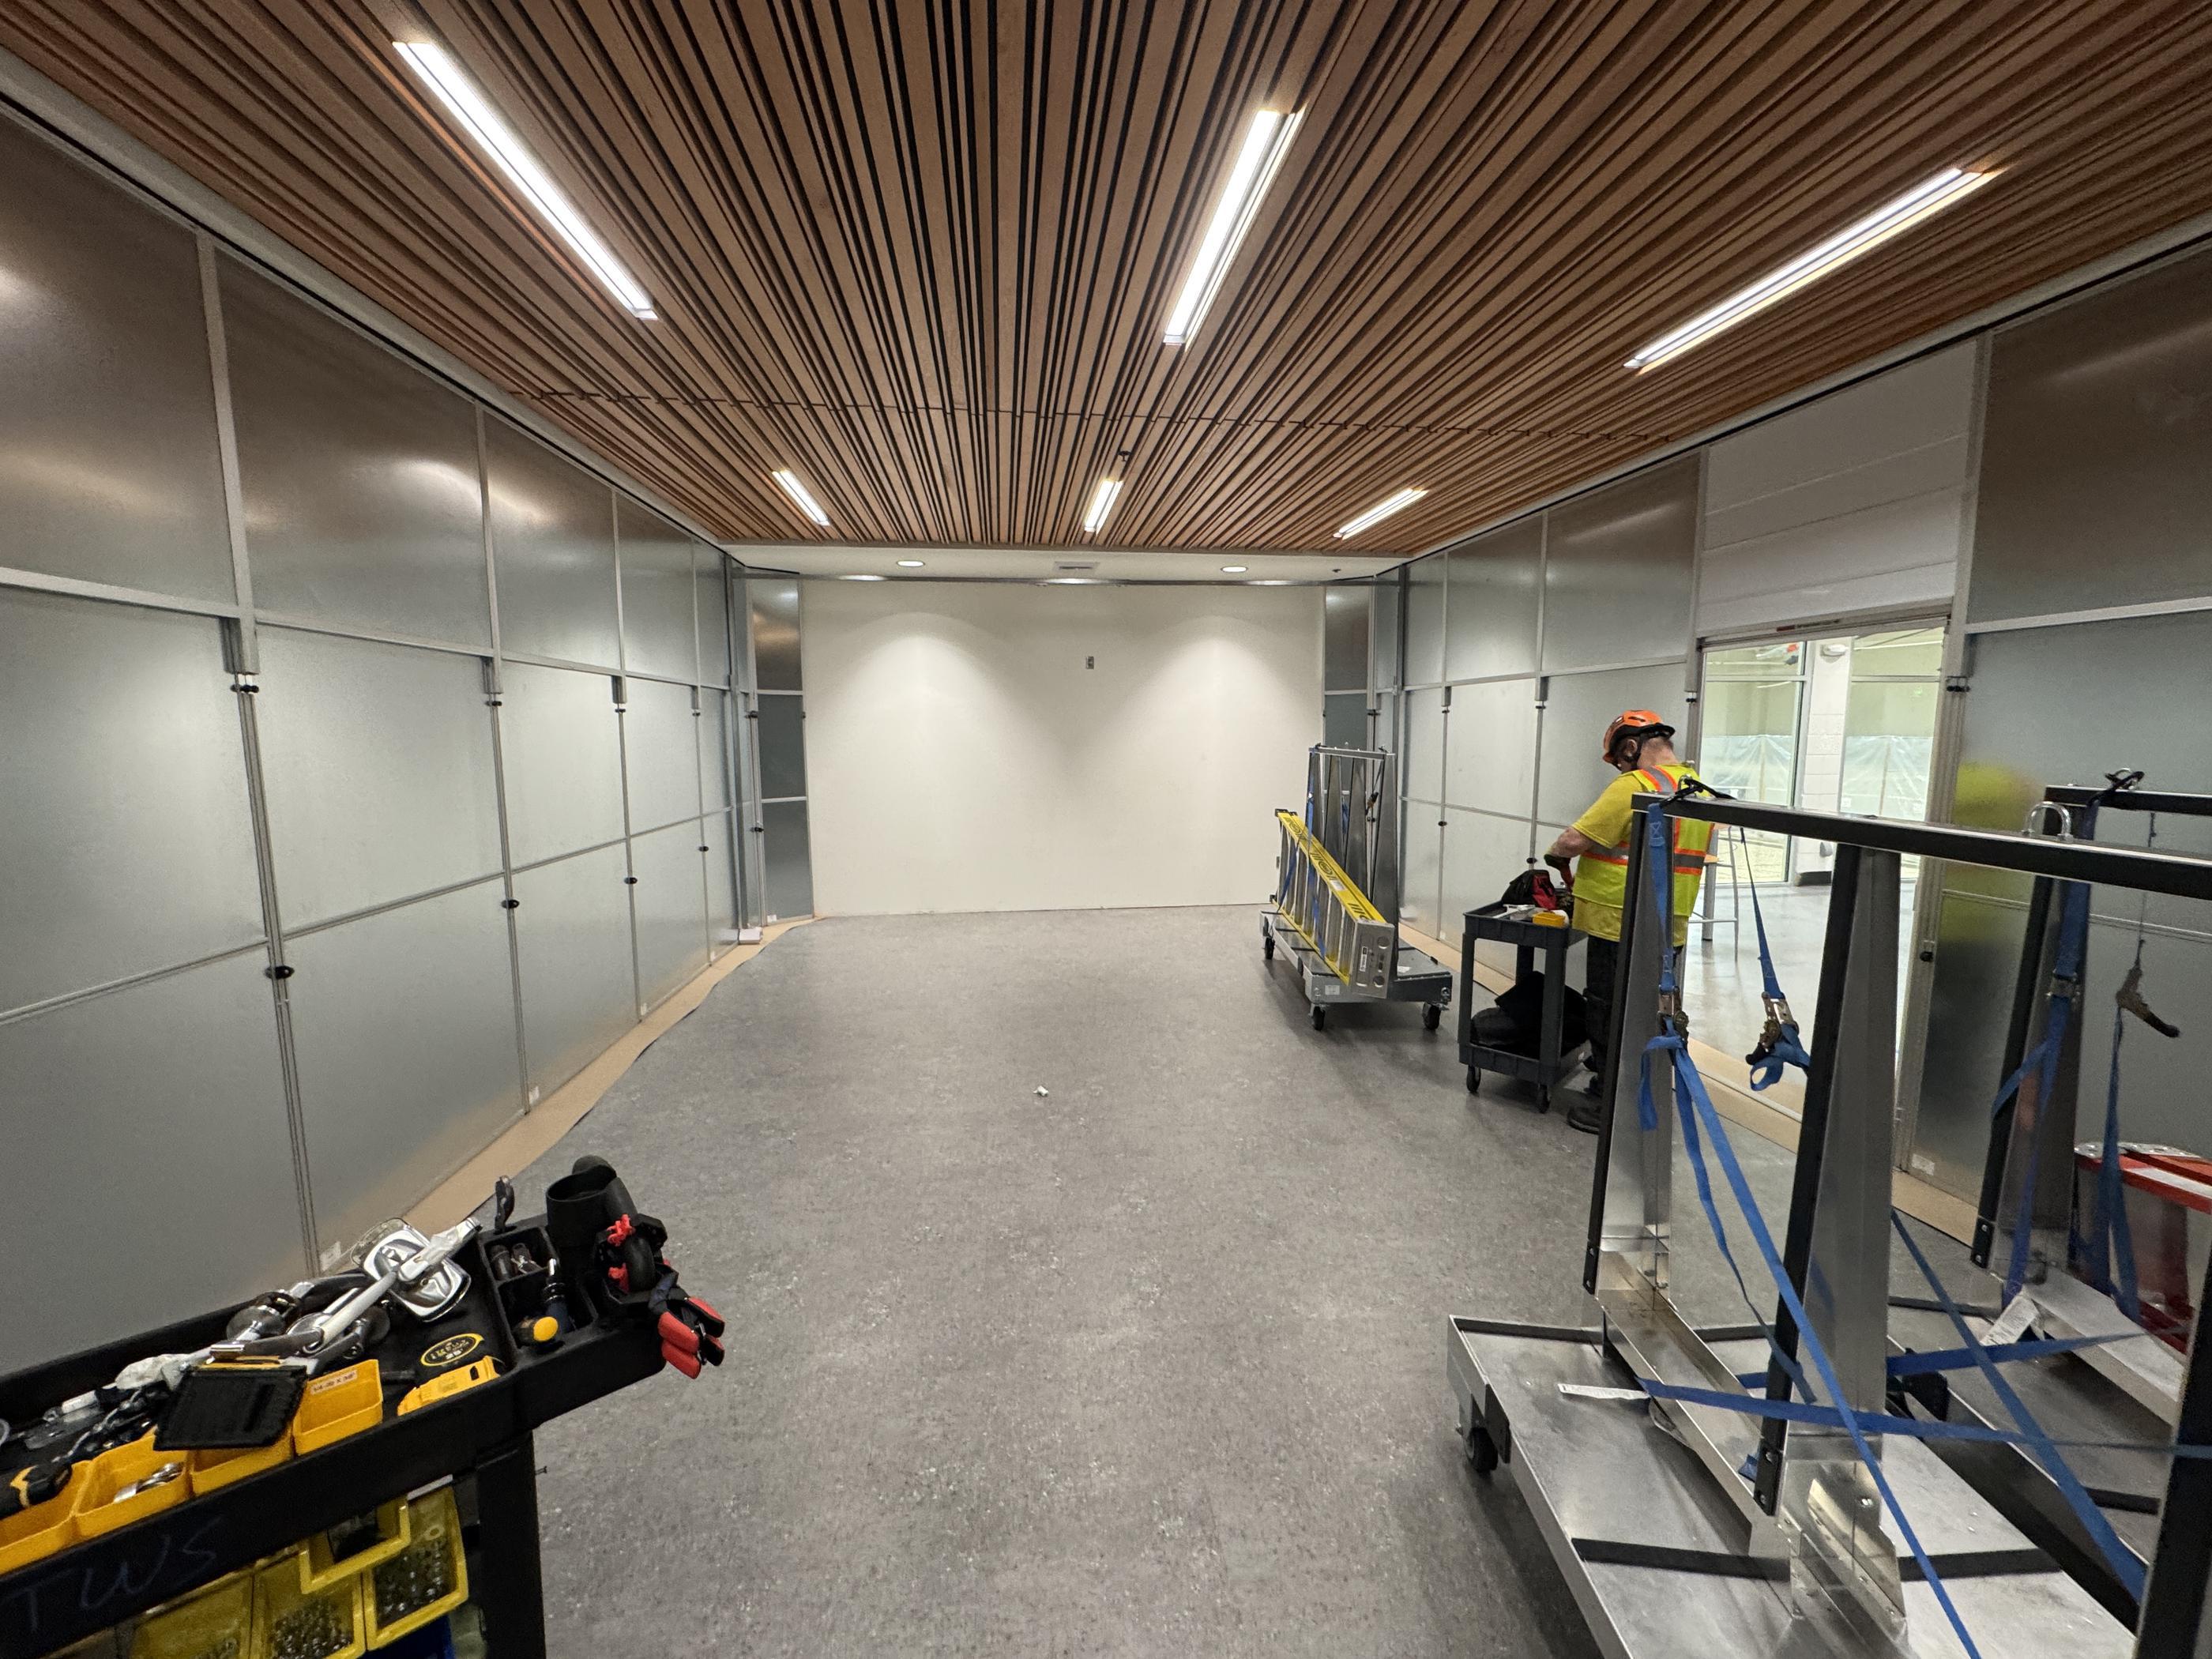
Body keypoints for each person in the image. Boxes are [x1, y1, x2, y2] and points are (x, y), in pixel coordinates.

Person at [1544, 709, 1713, 1134]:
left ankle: (1610, 1103)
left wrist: (1558, 855)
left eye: (1620, 758)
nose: (1620, 767)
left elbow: (1575, 839)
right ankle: (1646, 1092)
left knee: (1608, 1008)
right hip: (1669, 921)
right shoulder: (1698, 792)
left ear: (1632, 748)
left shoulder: (1635, 785)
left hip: (1617, 919)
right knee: (1652, 1010)